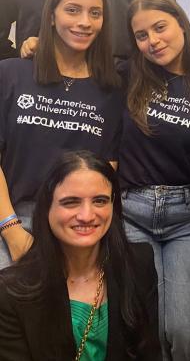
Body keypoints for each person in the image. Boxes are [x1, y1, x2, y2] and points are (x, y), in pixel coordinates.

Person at [0, 0, 123, 268]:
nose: (84, 22)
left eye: (95, 14)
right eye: (72, 10)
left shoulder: (111, 90)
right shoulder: (11, 74)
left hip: (79, 223)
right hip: (14, 217)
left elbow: (107, 172)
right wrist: (11, 229)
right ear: (52, 16)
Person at [119, 0, 190, 361]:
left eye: (160, 28)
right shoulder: (128, 75)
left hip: (188, 217)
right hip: (131, 215)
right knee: (149, 330)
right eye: (142, 36)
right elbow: (72, 69)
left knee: (186, 330)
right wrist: (30, 44)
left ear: (182, 25)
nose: (153, 41)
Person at [0, 150, 161, 360]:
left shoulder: (139, 265)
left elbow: (148, 353)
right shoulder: (11, 291)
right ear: (47, 207)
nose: (87, 215)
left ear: (113, 205)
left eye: (100, 201)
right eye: (71, 202)